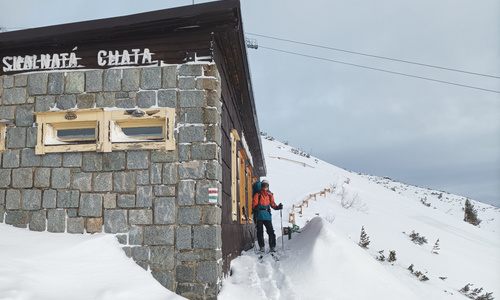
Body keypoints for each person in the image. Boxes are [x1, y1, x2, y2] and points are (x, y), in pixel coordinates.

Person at [252, 179, 283, 252]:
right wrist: (256, 207)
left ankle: (272, 246)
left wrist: (278, 207)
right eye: (263, 185)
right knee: (260, 232)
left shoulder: (270, 195)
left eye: (266, 186)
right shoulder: (257, 195)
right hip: (259, 215)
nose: (265, 187)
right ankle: (262, 247)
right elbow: (254, 205)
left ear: (268, 186)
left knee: (271, 231)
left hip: (267, 216)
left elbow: (273, 204)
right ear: (261, 186)